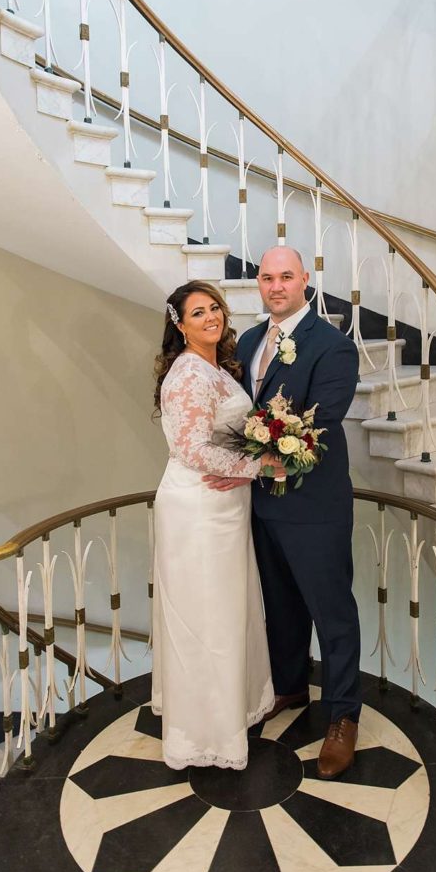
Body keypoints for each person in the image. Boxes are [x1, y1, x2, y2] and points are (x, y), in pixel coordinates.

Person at [205, 247, 362, 779]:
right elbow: (244, 416)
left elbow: (318, 432)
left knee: (331, 611)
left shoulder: (333, 347)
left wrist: (250, 469)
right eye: (267, 277)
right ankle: (291, 687)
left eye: (286, 276)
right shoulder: (248, 341)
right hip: (260, 507)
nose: (276, 286)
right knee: (280, 604)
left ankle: (343, 716)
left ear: (306, 280)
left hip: (314, 506)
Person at [151, 280, 281, 770]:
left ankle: (230, 708)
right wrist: (264, 465)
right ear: (179, 325)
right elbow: (193, 451)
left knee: (227, 609)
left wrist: (251, 461)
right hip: (197, 509)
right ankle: (205, 731)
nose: (210, 317)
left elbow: (222, 440)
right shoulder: (187, 373)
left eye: (214, 308)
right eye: (197, 312)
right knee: (204, 615)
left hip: (225, 506)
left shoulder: (218, 368)